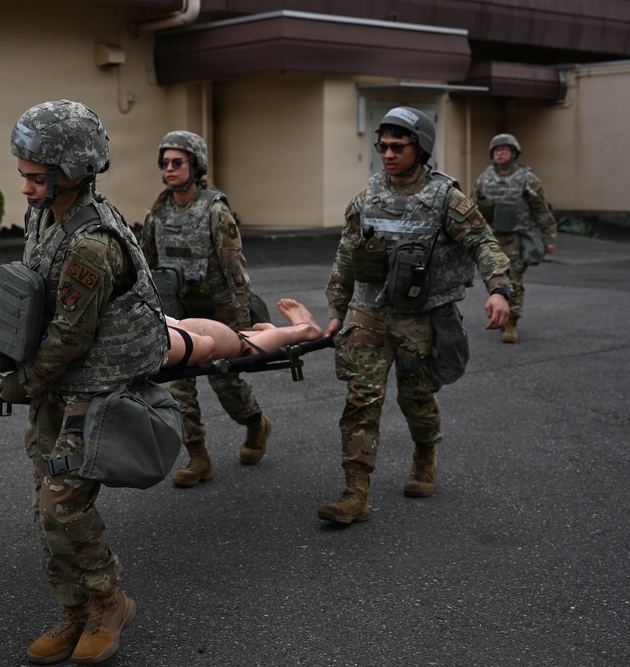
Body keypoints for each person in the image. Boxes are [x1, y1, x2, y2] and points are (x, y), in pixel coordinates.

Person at [0, 100, 166, 665]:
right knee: (45, 503)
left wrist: (23, 381)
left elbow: (71, 336)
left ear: (72, 172)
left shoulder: (92, 244)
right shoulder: (46, 216)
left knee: (62, 504)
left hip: (94, 386)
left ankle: (109, 602)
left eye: (35, 177)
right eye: (23, 175)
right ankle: (73, 609)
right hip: (58, 383)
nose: (24, 188)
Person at [319, 106, 512, 525]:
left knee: (416, 398)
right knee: (361, 400)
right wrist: (337, 309)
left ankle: (425, 453)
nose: (387, 154)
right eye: (382, 146)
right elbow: (346, 254)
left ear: (420, 147)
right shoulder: (367, 196)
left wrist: (499, 290)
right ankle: (356, 492)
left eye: (397, 146)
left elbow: (483, 241)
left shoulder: (445, 197)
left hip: (419, 315)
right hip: (369, 311)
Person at [139, 130, 272, 488]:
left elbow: (235, 270)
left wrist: (244, 325)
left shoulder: (215, 211)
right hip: (180, 312)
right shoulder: (157, 215)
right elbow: (146, 269)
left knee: (226, 381)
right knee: (178, 385)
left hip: (219, 312)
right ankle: (198, 456)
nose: (169, 169)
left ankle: (256, 423)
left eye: (177, 162)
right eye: (165, 163)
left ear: (195, 166)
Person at [472, 133, 558, 343]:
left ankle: (511, 323)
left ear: (514, 153)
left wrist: (549, 237)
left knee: (515, 281)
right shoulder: (485, 178)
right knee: (495, 280)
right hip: (492, 239)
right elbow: (472, 207)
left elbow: (541, 209)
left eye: (505, 149)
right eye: (496, 150)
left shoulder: (527, 179)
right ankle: (501, 313)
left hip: (517, 238)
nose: (500, 153)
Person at [164, 298, 323, 368]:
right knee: (244, 343)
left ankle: (294, 331)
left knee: (244, 343)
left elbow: (204, 346)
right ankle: (292, 332)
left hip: (198, 333)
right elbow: (203, 346)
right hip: (198, 332)